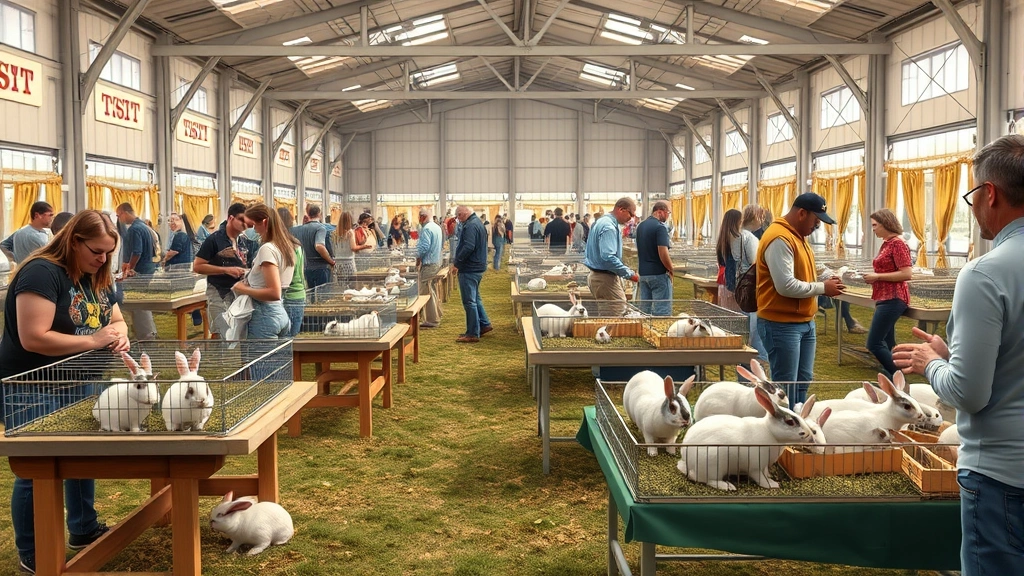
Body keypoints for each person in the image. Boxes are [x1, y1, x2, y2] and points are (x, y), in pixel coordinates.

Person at [893, 135, 1024, 576]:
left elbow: (968, 393)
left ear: (990, 194)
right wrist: (958, 356)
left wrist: (931, 364)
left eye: (971, 195)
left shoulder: (986, 273)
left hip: (1004, 475)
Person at [0, 210, 130, 574]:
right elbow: (34, 337)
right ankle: (34, 548)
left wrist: (120, 333)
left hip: (80, 379)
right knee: (36, 470)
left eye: (108, 253)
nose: (103, 259)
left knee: (80, 456)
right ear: (74, 241)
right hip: (31, 385)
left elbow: (116, 317)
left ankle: (83, 529)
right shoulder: (41, 272)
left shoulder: (97, 274)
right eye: (97, 251)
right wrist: (92, 339)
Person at [755, 193, 844, 405]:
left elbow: (805, 272)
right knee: (786, 386)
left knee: (802, 380)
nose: (817, 227)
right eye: (816, 221)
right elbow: (785, 285)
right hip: (781, 324)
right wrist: (823, 288)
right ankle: (785, 429)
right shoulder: (780, 238)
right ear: (802, 214)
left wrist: (827, 278)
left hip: (803, 322)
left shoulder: (798, 237)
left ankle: (798, 421)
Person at [232, 203, 297, 339]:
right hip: (280, 313)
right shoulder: (287, 246)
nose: (254, 230)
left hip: (264, 316)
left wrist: (242, 289)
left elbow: (274, 292)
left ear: (265, 222)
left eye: (255, 225)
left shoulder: (267, 248)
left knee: (259, 360)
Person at [193, 203, 255, 339]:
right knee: (222, 334)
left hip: (240, 294)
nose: (245, 224)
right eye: (242, 220)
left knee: (239, 334)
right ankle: (219, 359)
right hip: (218, 293)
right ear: (231, 218)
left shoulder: (245, 241)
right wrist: (225, 270)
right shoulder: (214, 240)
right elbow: (197, 266)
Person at [584, 197, 640, 316]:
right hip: (604, 278)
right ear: (622, 209)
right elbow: (609, 257)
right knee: (618, 315)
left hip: (598, 276)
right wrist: (630, 274)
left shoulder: (602, 221)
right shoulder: (609, 227)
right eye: (631, 214)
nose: (631, 218)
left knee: (606, 315)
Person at [114, 202, 158, 340]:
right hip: (147, 269)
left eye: (118, 215)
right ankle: (149, 331)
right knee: (141, 302)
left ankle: (145, 334)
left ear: (124, 213)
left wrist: (129, 268)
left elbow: (137, 252)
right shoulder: (144, 227)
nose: (119, 219)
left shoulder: (135, 229)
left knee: (137, 302)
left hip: (140, 271)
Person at [451, 205, 491, 343]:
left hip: (470, 268)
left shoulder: (470, 226)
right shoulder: (477, 223)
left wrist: (457, 263)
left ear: (463, 214)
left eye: (458, 216)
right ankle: (484, 324)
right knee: (475, 298)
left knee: (469, 301)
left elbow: (468, 246)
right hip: (477, 266)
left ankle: (473, 333)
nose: (458, 219)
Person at [735, 205, 769, 363]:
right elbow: (757, 266)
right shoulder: (749, 238)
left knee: (745, 328)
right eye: (760, 217)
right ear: (754, 217)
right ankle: (759, 360)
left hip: (738, 286)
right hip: (750, 288)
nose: (762, 220)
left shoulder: (735, 234)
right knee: (754, 330)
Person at [635, 200, 674, 316]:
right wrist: (671, 268)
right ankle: (660, 333)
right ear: (660, 212)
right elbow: (663, 252)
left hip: (643, 274)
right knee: (661, 310)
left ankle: (645, 332)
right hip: (658, 274)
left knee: (644, 311)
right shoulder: (660, 227)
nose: (668, 216)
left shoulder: (640, 226)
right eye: (668, 213)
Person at [277, 208, 306, 337]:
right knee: (291, 338)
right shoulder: (296, 244)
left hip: (289, 296)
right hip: (299, 294)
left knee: (286, 340)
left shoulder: (284, 246)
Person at [291, 204, 335, 290]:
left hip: (303, 267)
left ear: (307, 213)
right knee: (322, 297)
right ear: (319, 214)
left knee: (309, 295)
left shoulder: (296, 229)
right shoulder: (320, 228)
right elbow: (319, 246)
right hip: (320, 268)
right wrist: (331, 261)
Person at [416, 208, 443, 328]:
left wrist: (418, 257)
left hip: (429, 263)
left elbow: (424, 247)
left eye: (420, 217)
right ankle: (437, 314)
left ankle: (432, 320)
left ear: (423, 217)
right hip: (436, 261)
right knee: (431, 289)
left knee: (426, 291)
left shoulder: (426, 229)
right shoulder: (436, 227)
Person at [716, 209, 743, 312]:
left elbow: (721, 263)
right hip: (733, 283)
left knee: (727, 313)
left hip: (724, 282)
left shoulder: (722, 239)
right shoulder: (737, 239)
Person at [333, 212, 365, 278]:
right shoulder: (350, 232)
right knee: (351, 286)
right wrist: (365, 246)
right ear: (350, 220)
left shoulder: (334, 233)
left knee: (341, 286)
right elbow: (353, 248)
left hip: (337, 264)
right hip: (349, 263)